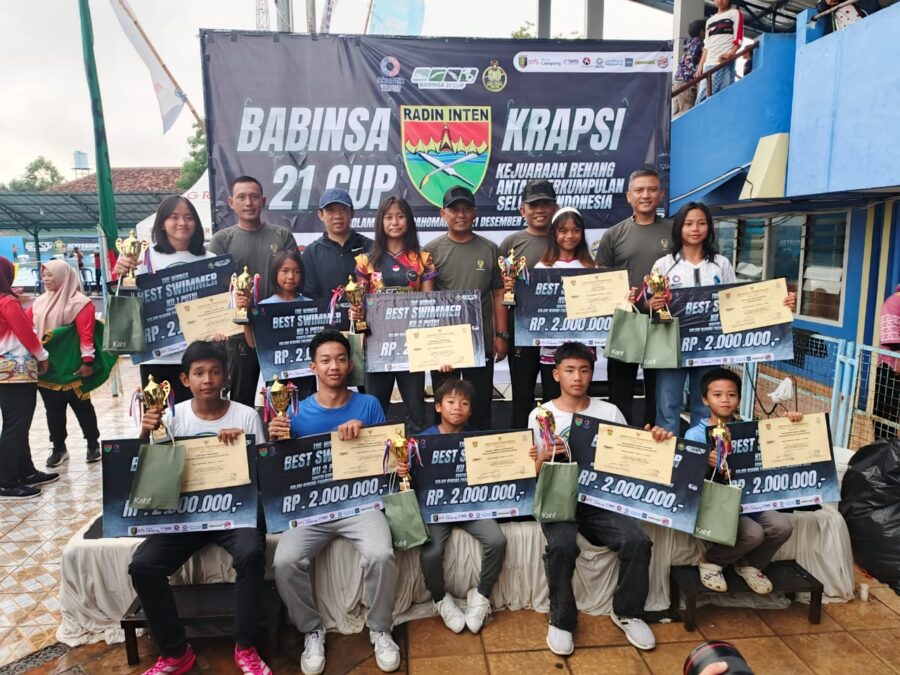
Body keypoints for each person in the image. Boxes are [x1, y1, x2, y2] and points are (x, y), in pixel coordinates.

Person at [130, 341, 272, 675]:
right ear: (184, 379)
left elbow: (264, 471)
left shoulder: (246, 415)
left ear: (226, 376)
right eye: (199, 373)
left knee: (251, 554)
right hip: (186, 514)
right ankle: (175, 653)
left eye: (215, 371)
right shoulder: (171, 417)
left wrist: (242, 448)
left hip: (235, 511)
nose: (207, 379)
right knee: (143, 565)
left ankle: (246, 646)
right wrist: (145, 431)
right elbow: (149, 471)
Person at [268, 330, 400, 675]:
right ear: (313, 367)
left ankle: (380, 628)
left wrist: (366, 430)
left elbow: (389, 458)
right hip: (313, 508)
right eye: (325, 360)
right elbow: (284, 468)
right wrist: (275, 441)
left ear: (350, 364)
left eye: (341, 359)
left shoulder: (369, 405)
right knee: (284, 561)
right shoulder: (294, 413)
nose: (334, 366)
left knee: (381, 554)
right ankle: (312, 630)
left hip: (361, 504)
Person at [527, 342, 664, 655]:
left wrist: (651, 441)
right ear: (556, 374)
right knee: (561, 547)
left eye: (584, 370)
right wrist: (544, 456)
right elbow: (531, 473)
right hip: (558, 499)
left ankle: (627, 612)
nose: (578, 377)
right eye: (570, 370)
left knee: (637, 541)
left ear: (592, 373)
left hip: (599, 501)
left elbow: (629, 459)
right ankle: (562, 620)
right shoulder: (540, 415)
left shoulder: (609, 411)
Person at [649, 202, 796, 434]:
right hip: (672, 344)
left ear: (709, 227)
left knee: (706, 406)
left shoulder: (721, 264)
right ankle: (670, 454)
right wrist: (653, 304)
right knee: (668, 404)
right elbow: (653, 305)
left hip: (710, 347)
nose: (695, 229)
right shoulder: (664, 265)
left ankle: (707, 452)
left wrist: (779, 303)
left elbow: (738, 302)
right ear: (679, 228)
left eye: (701, 223)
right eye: (688, 224)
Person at [403, 378, 506, 634]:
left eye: (464, 403)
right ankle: (440, 599)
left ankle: (481, 596)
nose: (457, 407)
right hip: (436, 510)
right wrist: (403, 470)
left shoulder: (478, 440)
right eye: (450, 401)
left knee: (497, 541)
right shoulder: (420, 442)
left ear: (470, 410)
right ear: (438, 406)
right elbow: (411, 480)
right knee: (431, 552)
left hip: (471, 506)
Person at [685, 368, 794, 594]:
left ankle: (749, 565)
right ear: (705, 399)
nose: (725, 400)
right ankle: (711, 561)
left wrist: (791, 425)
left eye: (732, 394)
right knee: (753, 534)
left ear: (739, 399)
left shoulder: (749, 429)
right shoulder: (695, 434)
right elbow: (687, 480)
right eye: (717, 395)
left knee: (782, 527)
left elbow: (775, 446)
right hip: (716, 503)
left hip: (749, 499)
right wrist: (706, 463)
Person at [115, 195, 219, 403]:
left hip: (199, 360)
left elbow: (218, 308)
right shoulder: (142, 257)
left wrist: (219, 328)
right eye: (174, 217)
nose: (182, 223)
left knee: (200, 418)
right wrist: (122, 275)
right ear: (162, 223)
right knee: (160, 418)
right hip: (157, 358)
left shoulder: (210, 260)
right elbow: (127, 304)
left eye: (189, 217)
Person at [207, 176, 299, 407]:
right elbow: (214, 290)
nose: (248, 202)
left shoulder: (282, 236)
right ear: (231, 202)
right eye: (241, 197)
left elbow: (295, 279)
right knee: (241, 399)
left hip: (277, 329)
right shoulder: (222, 240)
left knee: (283, 398)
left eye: (254, 197)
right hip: (238, 333)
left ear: (263, 200)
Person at [424, 187, 507, 430]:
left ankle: (480, 450)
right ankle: (442, 448)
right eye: (454, 209)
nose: (460, 214)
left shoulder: (490, 249)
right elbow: (427, 299)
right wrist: (434, 345)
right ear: (443, 214)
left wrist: (501, 335)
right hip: (445, 343)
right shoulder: (430, 251)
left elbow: (498, 292)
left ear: (475, 212)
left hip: (480, 342)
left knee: (479, 406)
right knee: (445, 405)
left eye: (466, 209)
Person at [594, 168, 671, 427]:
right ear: (629, 196)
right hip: (625, 322)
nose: (645, 195)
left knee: (658, 392)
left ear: (661, 194)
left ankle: (654, 440)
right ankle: (620, 440)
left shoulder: (675, 231)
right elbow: (601, 281)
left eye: (652, 189)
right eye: (639, 190)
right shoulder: (613, 234)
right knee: (620, 391)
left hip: (662, 322)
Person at [354, 196, 436, 432]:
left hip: (412, 345)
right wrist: (357, 313)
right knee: (374, 409)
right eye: (389, 217)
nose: (395, 222)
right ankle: (373, 454)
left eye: (400, 216)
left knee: (416, 410)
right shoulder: (365, 261)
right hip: (377, 343)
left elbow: (429, 304)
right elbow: (359, 304)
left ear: (409, 221)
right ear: (380, 222)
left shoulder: (423, 259)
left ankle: (416, 453)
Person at [27, 260, 100, 468]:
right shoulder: (39, 302)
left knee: (82, 406)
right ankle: (59, 448)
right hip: (46, 367)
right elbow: (26, 326)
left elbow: (86, 335)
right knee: (53, 410)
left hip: (72, 367)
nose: (45, 279)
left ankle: (93, 444)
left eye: (50, 275)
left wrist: (87, 362)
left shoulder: (81, 303)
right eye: (43, 275)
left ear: (63, 276)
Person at [500, 179, 556, 429]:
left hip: (556, 333)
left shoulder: (564, 238)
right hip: (521, 330)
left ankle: (558, 446)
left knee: (556, 396)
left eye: (545, 204)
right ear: (522, 210)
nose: (540, 210)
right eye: (533, 205)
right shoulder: (511, 243)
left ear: (555, 207)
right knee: (522, 396)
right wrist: (503, 333)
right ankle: (521, 447)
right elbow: (501, 290)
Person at [0, 256, 53, 499]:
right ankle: (7, 481)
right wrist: (43, 356)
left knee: (15, 425)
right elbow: (25, 334)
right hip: (16, 372)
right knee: (16, 426)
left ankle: (25, 471)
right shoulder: (7, 302)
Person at [535, 207, 596, 402]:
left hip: (583, 347)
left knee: (581, 401)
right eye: (563, 230)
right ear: (554, 233)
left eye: (575, 230)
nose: (570, 236)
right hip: (551, 349)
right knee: (553, 400)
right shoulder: (542, 268)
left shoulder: (592, 267)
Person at [241, 250, 317, 403]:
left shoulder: (311, 305)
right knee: (279, 416)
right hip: (276, 377)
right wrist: (246, 317)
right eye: (285, 271)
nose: (291, 276)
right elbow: (253, 344)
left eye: (296, 271)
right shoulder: (263, 307)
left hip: (306, 376)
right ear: (275, 273)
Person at [301, 188, 373, 300]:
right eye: (331, 210)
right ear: (321, 215)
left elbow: (378, 289)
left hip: (366, 311)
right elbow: (310, 297)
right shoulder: (311, 253)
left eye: (343, 210)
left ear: (352, 213)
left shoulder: (371, 247)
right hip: (325, 312)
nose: (337, 216)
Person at [696, 0, 743, 103]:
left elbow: (738, 39)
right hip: (708, 64)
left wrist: (731, 53)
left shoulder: (735, 13)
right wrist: (700, 65)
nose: (720, 1)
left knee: (722, 98)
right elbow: (707, 45)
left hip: (724, 62)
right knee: (701, 99)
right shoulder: (710, 20)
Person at [874, 284, 900, 440]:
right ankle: (883, 448)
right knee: (886, 413)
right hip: (891, 368)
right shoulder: (893, 302)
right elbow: (891, 339)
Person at [673, 19, 706, 115]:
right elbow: (696, 58)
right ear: (702, 32)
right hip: (687, 81)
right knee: (686, 111)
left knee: (676, 114)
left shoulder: (688, 43)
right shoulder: (699, 43)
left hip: (677, 80)